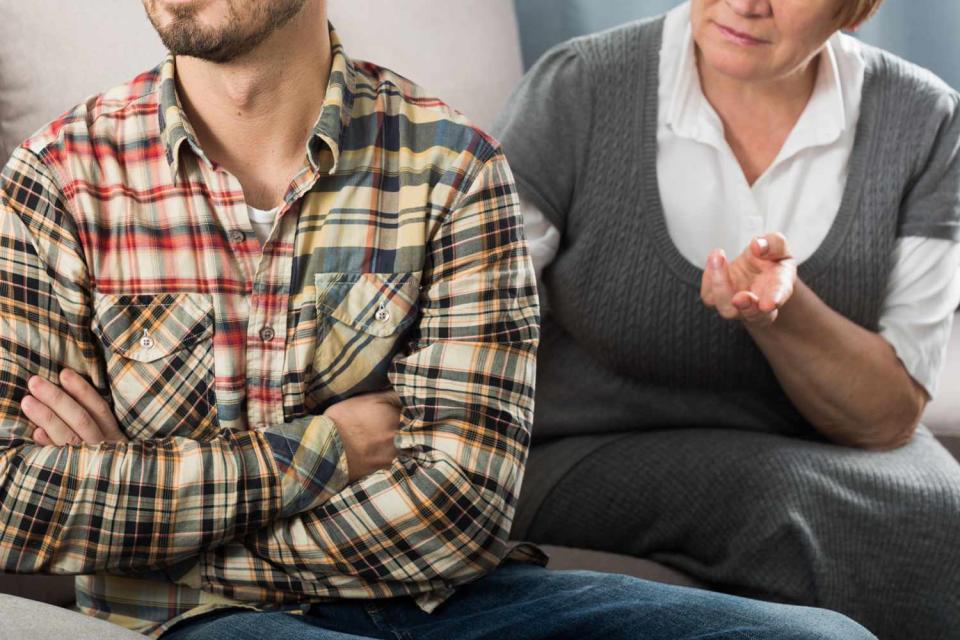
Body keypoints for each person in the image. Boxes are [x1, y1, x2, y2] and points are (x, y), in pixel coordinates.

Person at [0, 0, 877, 639]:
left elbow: (460, 506)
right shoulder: (58, 181)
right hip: (200, 623)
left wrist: (142, 518)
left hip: (449, 605)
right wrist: (330, 449)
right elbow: (14, 505)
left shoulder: (452, 168)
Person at [493, 0, 960, 638]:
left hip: (818, 446)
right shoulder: (580, 85)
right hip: (580, 451)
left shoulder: (924, 118)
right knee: (784, 505)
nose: (747, 3)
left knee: (946, 507)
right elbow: (469, 320)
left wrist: (783, 314)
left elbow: (886, 417)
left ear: (855, 9)